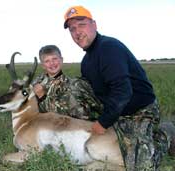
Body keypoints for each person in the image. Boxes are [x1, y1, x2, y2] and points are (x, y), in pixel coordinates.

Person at [63, 5, 168, 171]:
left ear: (94, 25)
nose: (77, 32)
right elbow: (92, 93)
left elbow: (123, 92)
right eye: (72, 29)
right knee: (76, 85)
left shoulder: (109, 47)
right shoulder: (86, 61)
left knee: (141, 166)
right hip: (116, 110)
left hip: (139, 110)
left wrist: (103, 123)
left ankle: (164, 135)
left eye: (81, 24)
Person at [32, 44, 103, 120]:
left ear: (61, 60)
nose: (52, 63)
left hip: (78, 128)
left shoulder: (76, 85)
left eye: (54, 59)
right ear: (43, 65)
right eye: (47, 61)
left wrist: (42, 97)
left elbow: (100, 107)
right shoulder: (35, 84)